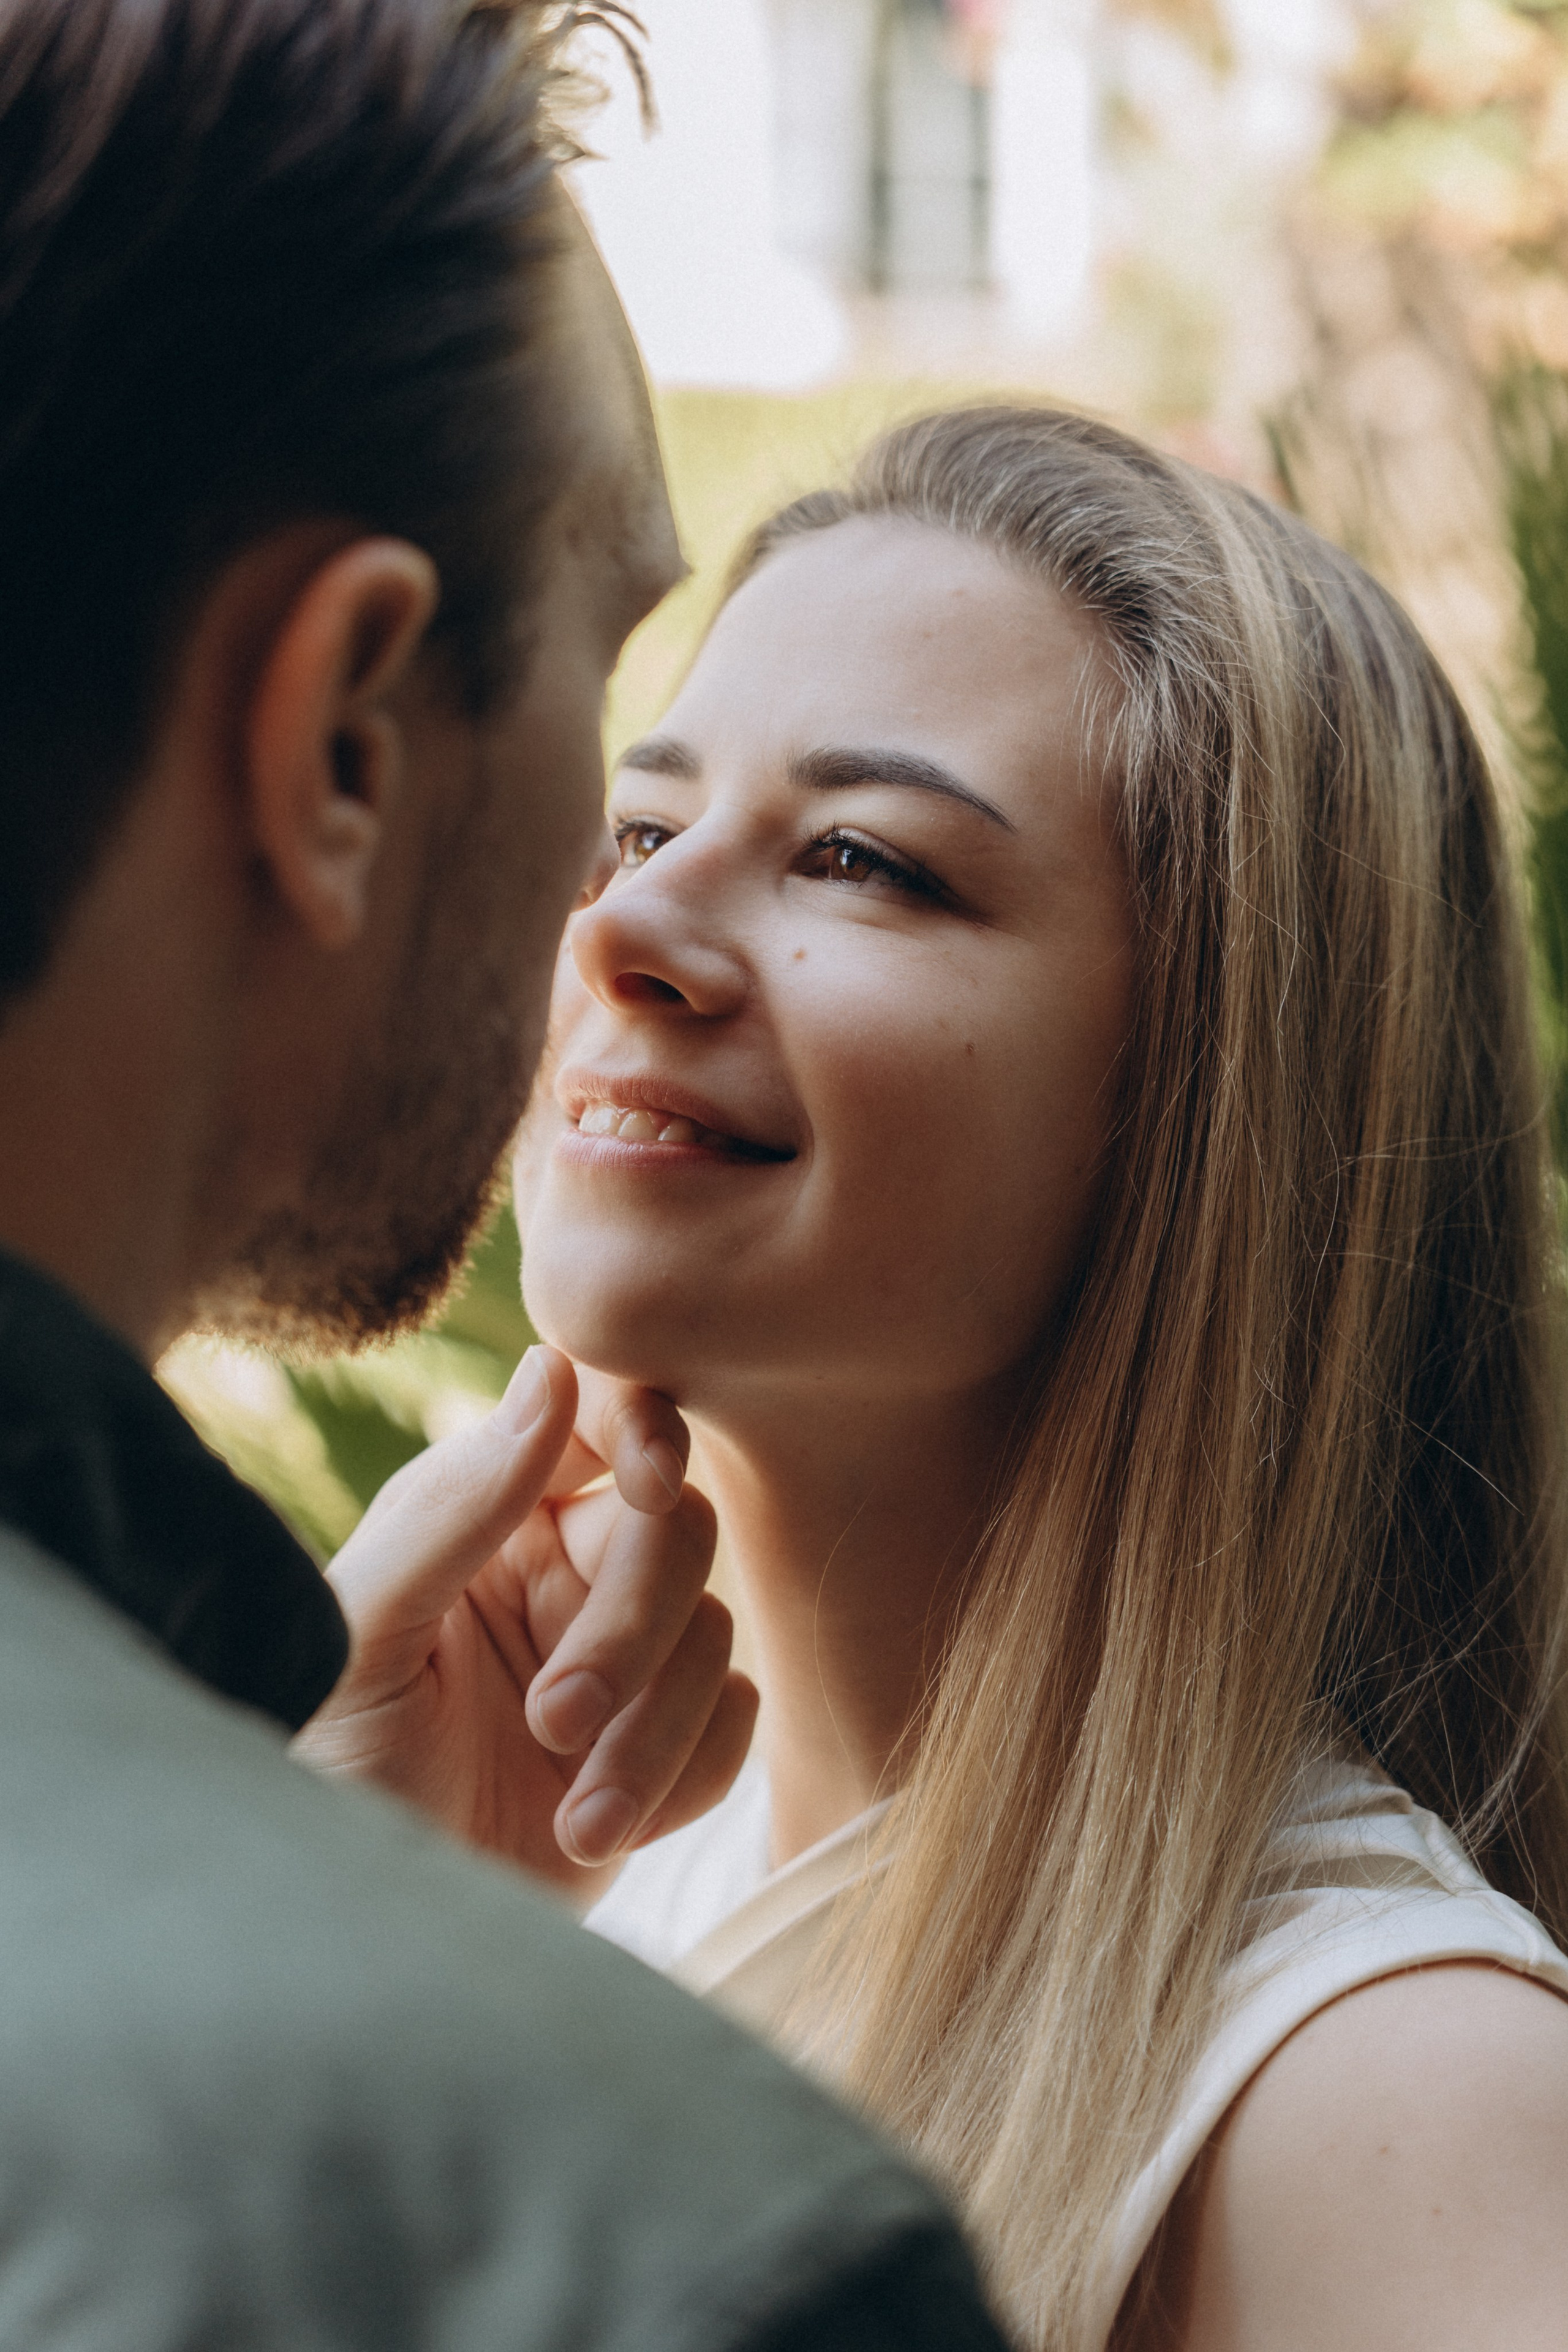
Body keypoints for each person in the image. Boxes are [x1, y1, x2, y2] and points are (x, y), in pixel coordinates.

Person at [311, 404, 1568, 2351]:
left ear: (1207, 1103)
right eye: (641, 828)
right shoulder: (585, 1902)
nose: (627, 923)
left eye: (857, 859)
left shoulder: (1386, 2106)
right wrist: (358, 1956)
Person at [0, 2, 1012, 2343]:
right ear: (339, 738)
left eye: (856, 852)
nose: (621, 907)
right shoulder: (635, 2254)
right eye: (616, 717)